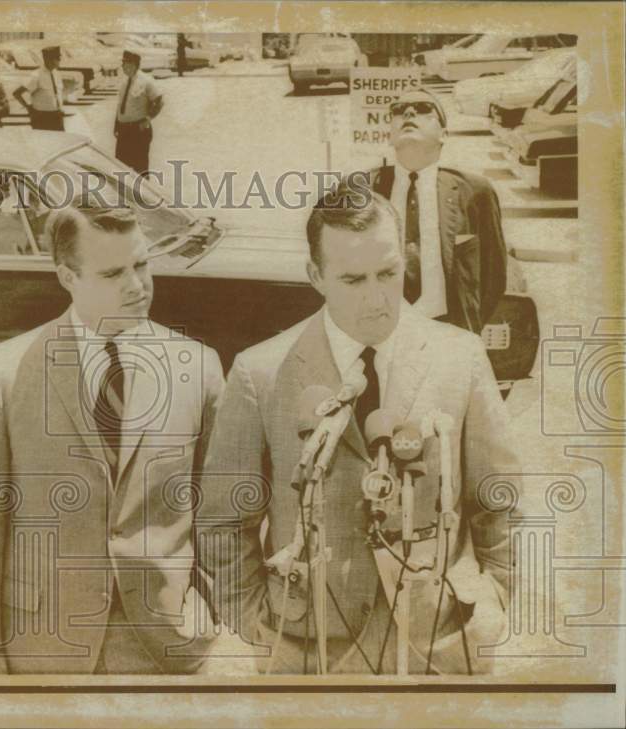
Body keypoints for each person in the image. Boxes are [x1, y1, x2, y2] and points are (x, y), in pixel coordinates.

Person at [201, 184, 518, 674]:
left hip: (441, 643)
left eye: (388, 273)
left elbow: (500, 501)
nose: (377, 298)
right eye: (352, 280)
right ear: (316, 276)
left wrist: (491, 601)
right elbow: (223, 520)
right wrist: (256, 624)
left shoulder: (461, 356)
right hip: (307, 653)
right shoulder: (259, 372)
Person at [0, 201, 223, 674]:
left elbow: (220, 511)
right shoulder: (5, 373)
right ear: (67, 277)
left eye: (142, 264)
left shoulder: (198, 367)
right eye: (113, 273)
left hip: (164, 645)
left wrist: (210, 613)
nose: (137, 286)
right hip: (42, 644)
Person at [369, 88, 507, 334]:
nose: (409, 113)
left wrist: (467, 327)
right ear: (389, 135)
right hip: (379, 334)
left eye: (423, 109)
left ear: (444, 134)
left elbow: (494, 276)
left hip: (449, 332)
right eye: (398, 111)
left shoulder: (475, 192)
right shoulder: (362, 190)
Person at [114, 50, 163, 177]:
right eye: (123, 63)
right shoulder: (125, 82)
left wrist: (148, 119)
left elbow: (159, 101)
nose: (122, 66)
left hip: (138, 131)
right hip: (124, 131)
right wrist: (116, 124)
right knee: (120, 168)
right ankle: (125, 196)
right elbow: (120, 105)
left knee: (140, 168)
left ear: (133, 64)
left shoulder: (146, 81)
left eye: (125, 63)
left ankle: (142, 196)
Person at [13, 45, 65, 131]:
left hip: (57, 116)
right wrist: (29, 108)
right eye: (58, 58)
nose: (60, 61)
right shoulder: (36, 75)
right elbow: (17, 93)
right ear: (49, 60)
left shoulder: (57, 74)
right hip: (42, 117)